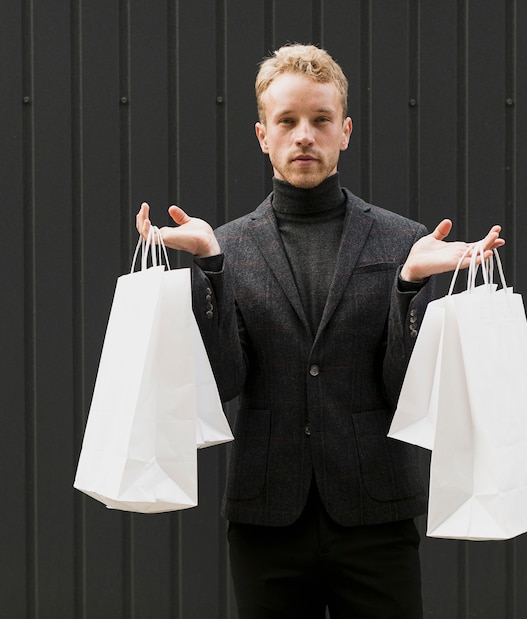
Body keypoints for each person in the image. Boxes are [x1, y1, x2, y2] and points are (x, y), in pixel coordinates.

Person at [137, 43, 503, 619]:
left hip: (376, 514)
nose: (303, 135)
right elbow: (227, 382)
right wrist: (210, 265)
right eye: (287, 121)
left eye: (320, 120)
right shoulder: (229, 244)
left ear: (345, 130)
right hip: (267, 518)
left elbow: (403, 391)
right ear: (263, 135)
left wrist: (409, 284)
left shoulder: (402, 242)